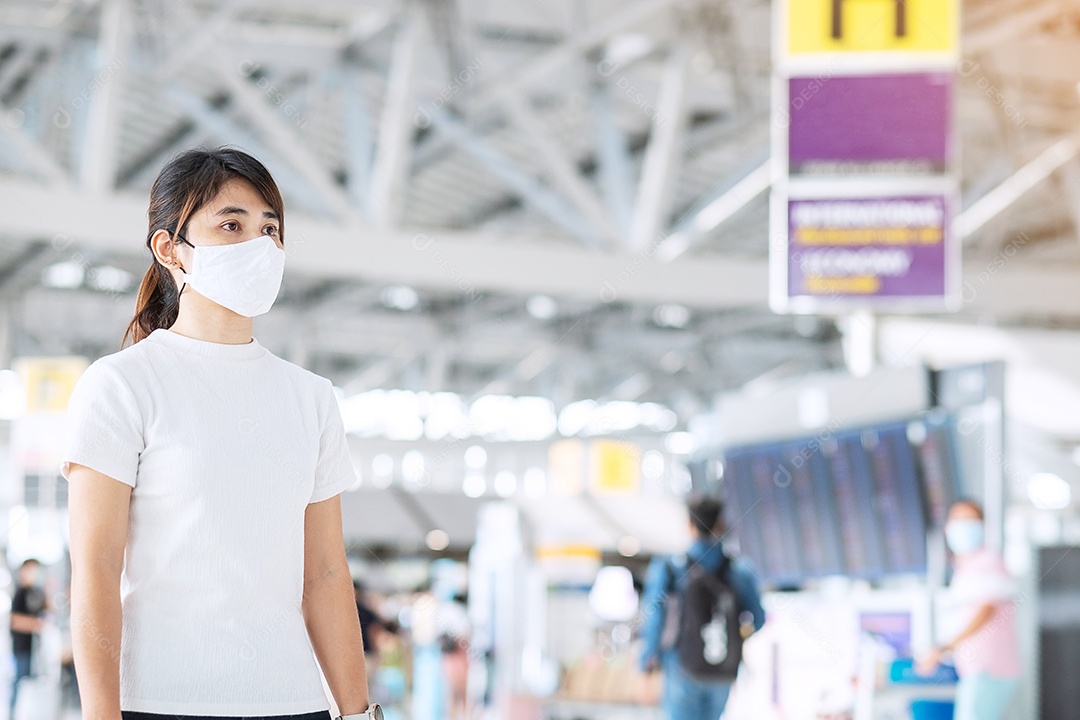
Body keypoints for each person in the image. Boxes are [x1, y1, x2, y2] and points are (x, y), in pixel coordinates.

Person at [62, 148, 381, 720]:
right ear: (169, 250)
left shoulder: (311, 398)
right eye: (231, 225)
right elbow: (97, 567)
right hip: (157, 701)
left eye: (270, 229)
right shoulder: (121, 385)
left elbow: (327, 574)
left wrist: (359, 714)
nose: (257, 245)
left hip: (292, 703)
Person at [639, 494, 765, 720]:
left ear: (689, 524)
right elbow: (759, 619)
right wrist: (736, 636)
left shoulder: (670, 568)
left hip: (681, 666)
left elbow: (654, 618)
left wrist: (647, 664)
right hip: (723, 670)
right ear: (720, 524)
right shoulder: (740, 571)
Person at [917, 499, 1020, 720]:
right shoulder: (965, 568)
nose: (963, 525)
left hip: (990, 669)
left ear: (983, 526)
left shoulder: (988, 562)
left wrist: (944, 648)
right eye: (958, 519)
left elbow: (984, 611)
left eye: (969, 520)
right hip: (978, 669)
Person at [9, 558, 46, 719]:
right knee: (19, 683)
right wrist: (36, 624)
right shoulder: (20, 593)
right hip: (21, 647)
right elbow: (15, 621)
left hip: (35, 648)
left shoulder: (36, 592)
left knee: (32, 685)